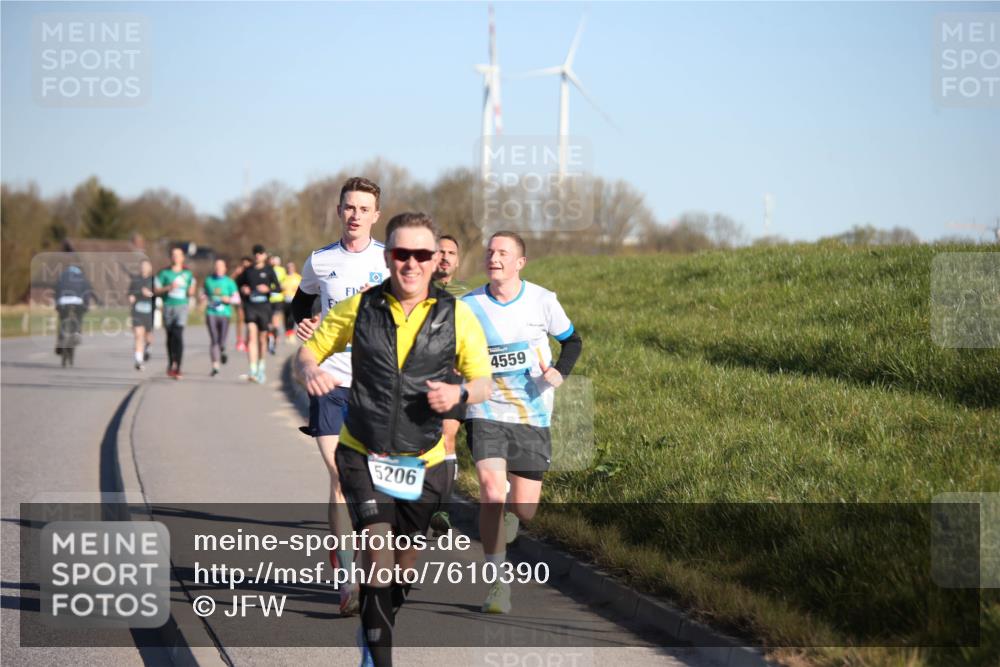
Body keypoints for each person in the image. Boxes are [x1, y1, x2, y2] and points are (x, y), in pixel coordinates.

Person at [296, 212, 492, 667]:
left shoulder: (456, 315)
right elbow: (311, 349)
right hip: (362, 451)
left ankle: (373, 626)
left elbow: (483, 382)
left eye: (422, 255)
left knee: (402, 569)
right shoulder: (359, 308)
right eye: (402, 254)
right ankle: (376, 658)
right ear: (388, 257)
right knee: (378, 554)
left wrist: (460, 391)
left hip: (422, 459)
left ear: (434, 260)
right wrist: (310, 369)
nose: (412, 263)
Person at [462, 231, 583, 614]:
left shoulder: (542, 301)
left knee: (524, 508)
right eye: (490, 252)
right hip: (486, 411)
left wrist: (560, 373)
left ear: (520, 263)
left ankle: (514, 518)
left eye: (503, 253)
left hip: (532, 413)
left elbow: (573, 341)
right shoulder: (467, 306)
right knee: (491, 490)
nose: (494, 257)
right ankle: (498, 584)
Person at [290, 176, 389, 616]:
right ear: (339, 211)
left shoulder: (389, 260)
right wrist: (303, 325)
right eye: (349, 207)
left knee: (370, 480)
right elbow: (299, 302)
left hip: (375, 385)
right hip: (328, 381)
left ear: (375, 215)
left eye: (363, 208)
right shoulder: (321, 261)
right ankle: (347, 578)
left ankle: (373, 567)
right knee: (339, 476)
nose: (355, 215)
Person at [429, 234, 471, 537]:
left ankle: (442, 509)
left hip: (452, 376)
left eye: (451, 252)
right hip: (416, 375)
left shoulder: (467, 296)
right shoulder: (416, 288)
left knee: (447, 436)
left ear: (457, 260)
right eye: (440, 251)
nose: (445, 257)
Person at [236, 245, 279, 383]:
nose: (257, 255)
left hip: (264, 307)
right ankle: (252, 369)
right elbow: (237, 285)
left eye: (260, 253)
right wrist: (243, 289)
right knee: (251, 335)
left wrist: (267, 289)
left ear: (265, 255)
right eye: (255, 253)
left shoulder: (269, 270)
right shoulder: (247, 271)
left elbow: (278, 288)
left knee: (262, 339)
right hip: (251, 306)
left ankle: (261, 367)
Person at [154, 246, 196, 379]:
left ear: (182, 257)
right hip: (168, 306)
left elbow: (192, 288)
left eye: (178, 255)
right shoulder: (164, 273)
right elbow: (156, 290)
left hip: (181, 306)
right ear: (171, 257)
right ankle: (171, 362)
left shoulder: (187, 273)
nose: (176, 257)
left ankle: (178, 367)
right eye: (173, 255)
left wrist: (191, 291)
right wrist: (169, 287)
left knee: (178, 334)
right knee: (170, 336)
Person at [201, 258, 239, 377]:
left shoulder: (229, 282)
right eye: (216, 266)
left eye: (220, 266)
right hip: (211, 312)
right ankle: (215, 366)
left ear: (225, 268)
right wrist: (203, 298)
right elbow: (203, 293)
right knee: (214, 340)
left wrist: (228, 299)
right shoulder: (208, 280)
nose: (218, 268)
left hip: (225, 314)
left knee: (221, 341)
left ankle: (223, 349)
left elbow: (237, 299)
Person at [54, 264, 96, 367]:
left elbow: (57, 290)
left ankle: (60, 340)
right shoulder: (82, 278)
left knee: (62, 321)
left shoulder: (62, 276)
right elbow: (87, 293)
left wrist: (57, 304)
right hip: (77, 302)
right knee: (78, 320)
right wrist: (86, 306)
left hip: (63, 302)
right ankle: (77, 333)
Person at [128, 259, 155, 371]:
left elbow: (158, 293)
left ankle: (148, 347)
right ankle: (139, 361)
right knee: (138, 335)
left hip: (149, 312)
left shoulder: (153, 280)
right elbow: (130, 293)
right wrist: (131, 296)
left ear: (150, 268)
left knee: (148, 337)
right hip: (137, 311)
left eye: (146, 266)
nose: (144, 268)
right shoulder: (136, 280)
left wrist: (150, 294)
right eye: (142, 266)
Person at [231, 256, 252, 353]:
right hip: (240, 299)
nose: (245, 265)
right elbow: (229, 282)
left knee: (249, 321)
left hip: (251, 300)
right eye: (243, 263)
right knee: (240, 319)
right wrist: (235, 273)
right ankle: (239, 340)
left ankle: (248, 341)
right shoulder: (239, 272)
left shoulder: (252, 272)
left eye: (247, 263)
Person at [268, 255, 287, 355]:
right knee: (270, 322)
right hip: (268, 298)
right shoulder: (267, 269)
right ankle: (272, 337)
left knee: (275, 321)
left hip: (278, 298)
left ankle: (275, 338)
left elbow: (284, 283)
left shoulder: (282, 270)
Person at [281, 261, 302, 342]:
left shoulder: (298, 277)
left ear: (294, 268)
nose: (289, 268)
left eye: (291, 267)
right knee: (285, 318)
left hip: (294, 300)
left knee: (291, 317)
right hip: (284, 300)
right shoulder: (284, 277)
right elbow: (280, 286)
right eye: (288, 267)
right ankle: (287, 333)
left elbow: (302, 288)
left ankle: (291, 334)